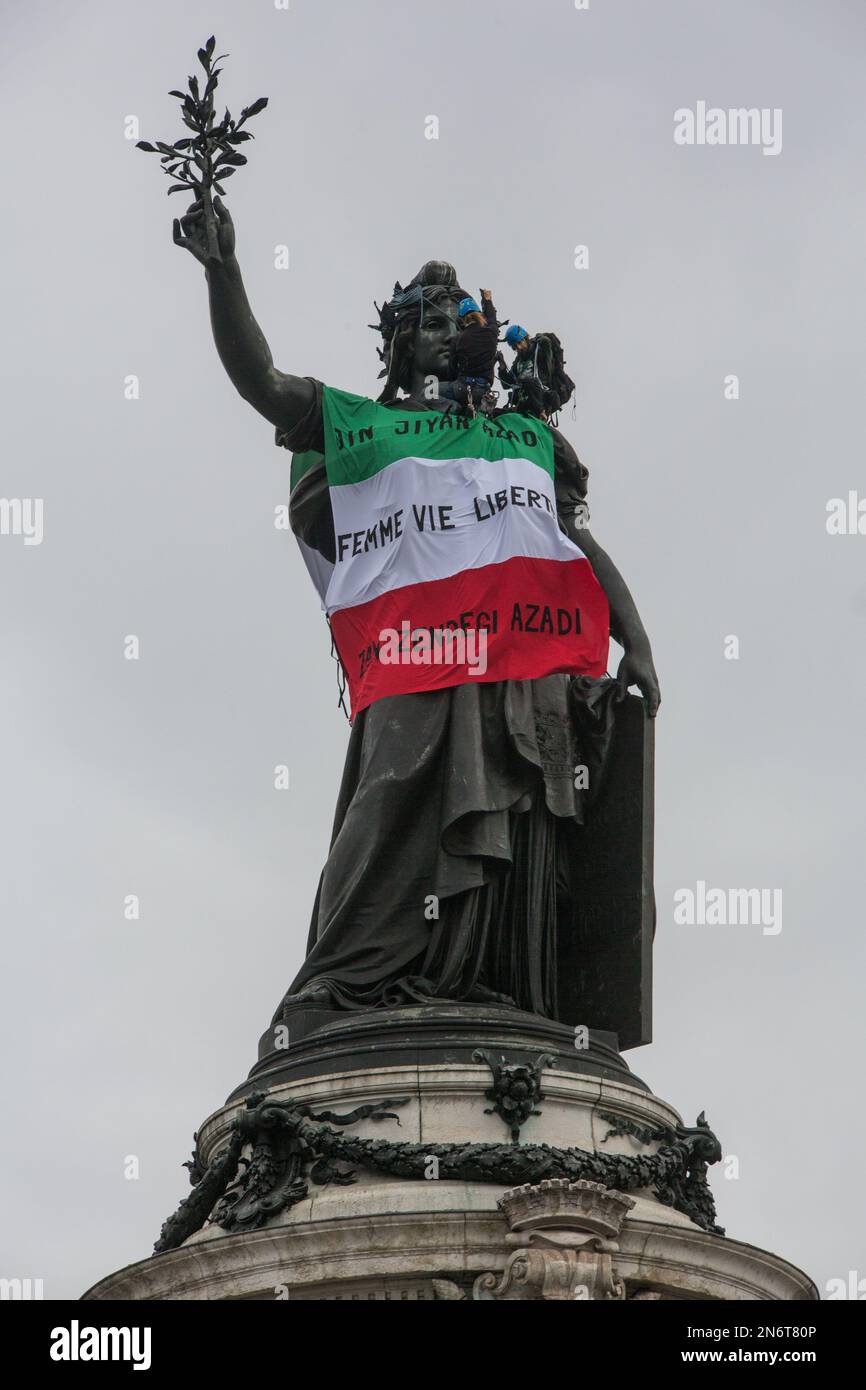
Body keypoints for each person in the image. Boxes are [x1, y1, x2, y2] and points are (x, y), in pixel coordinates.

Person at [172, 198, 660, 1018]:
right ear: (399, 343)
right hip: (412, 654)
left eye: (456, 319)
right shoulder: (362, 426)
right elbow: (261, 379)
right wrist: (224, 271)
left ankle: (497, 989)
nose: (445, 330)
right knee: (390, 792)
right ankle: (342, 982)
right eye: (428, 320)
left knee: (522, 806)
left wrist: (635, 640)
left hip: (519, 662)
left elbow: (570, 545)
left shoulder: (515, 437)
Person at [437, 289, 500, 413]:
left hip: (462, 388)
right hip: (483, 392)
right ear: (479, 314)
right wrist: (487, 299)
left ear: (462, 319)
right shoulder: (492, 331)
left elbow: (452, 368)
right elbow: (491, 316)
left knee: (427, 392)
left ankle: (455, 408)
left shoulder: (458, 338)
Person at [498, 323, 572, 419]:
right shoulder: (519, 362)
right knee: (497, 413)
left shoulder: (540, 351)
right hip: (526, 400)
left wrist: (541, 339)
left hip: (543, 397)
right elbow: (507, 384)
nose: (518, 348)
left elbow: (547, 344)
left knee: (529, 381)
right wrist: (502, 365)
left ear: (526, 338)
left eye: (520, 343)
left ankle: (541, 412)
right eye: (515, 346)